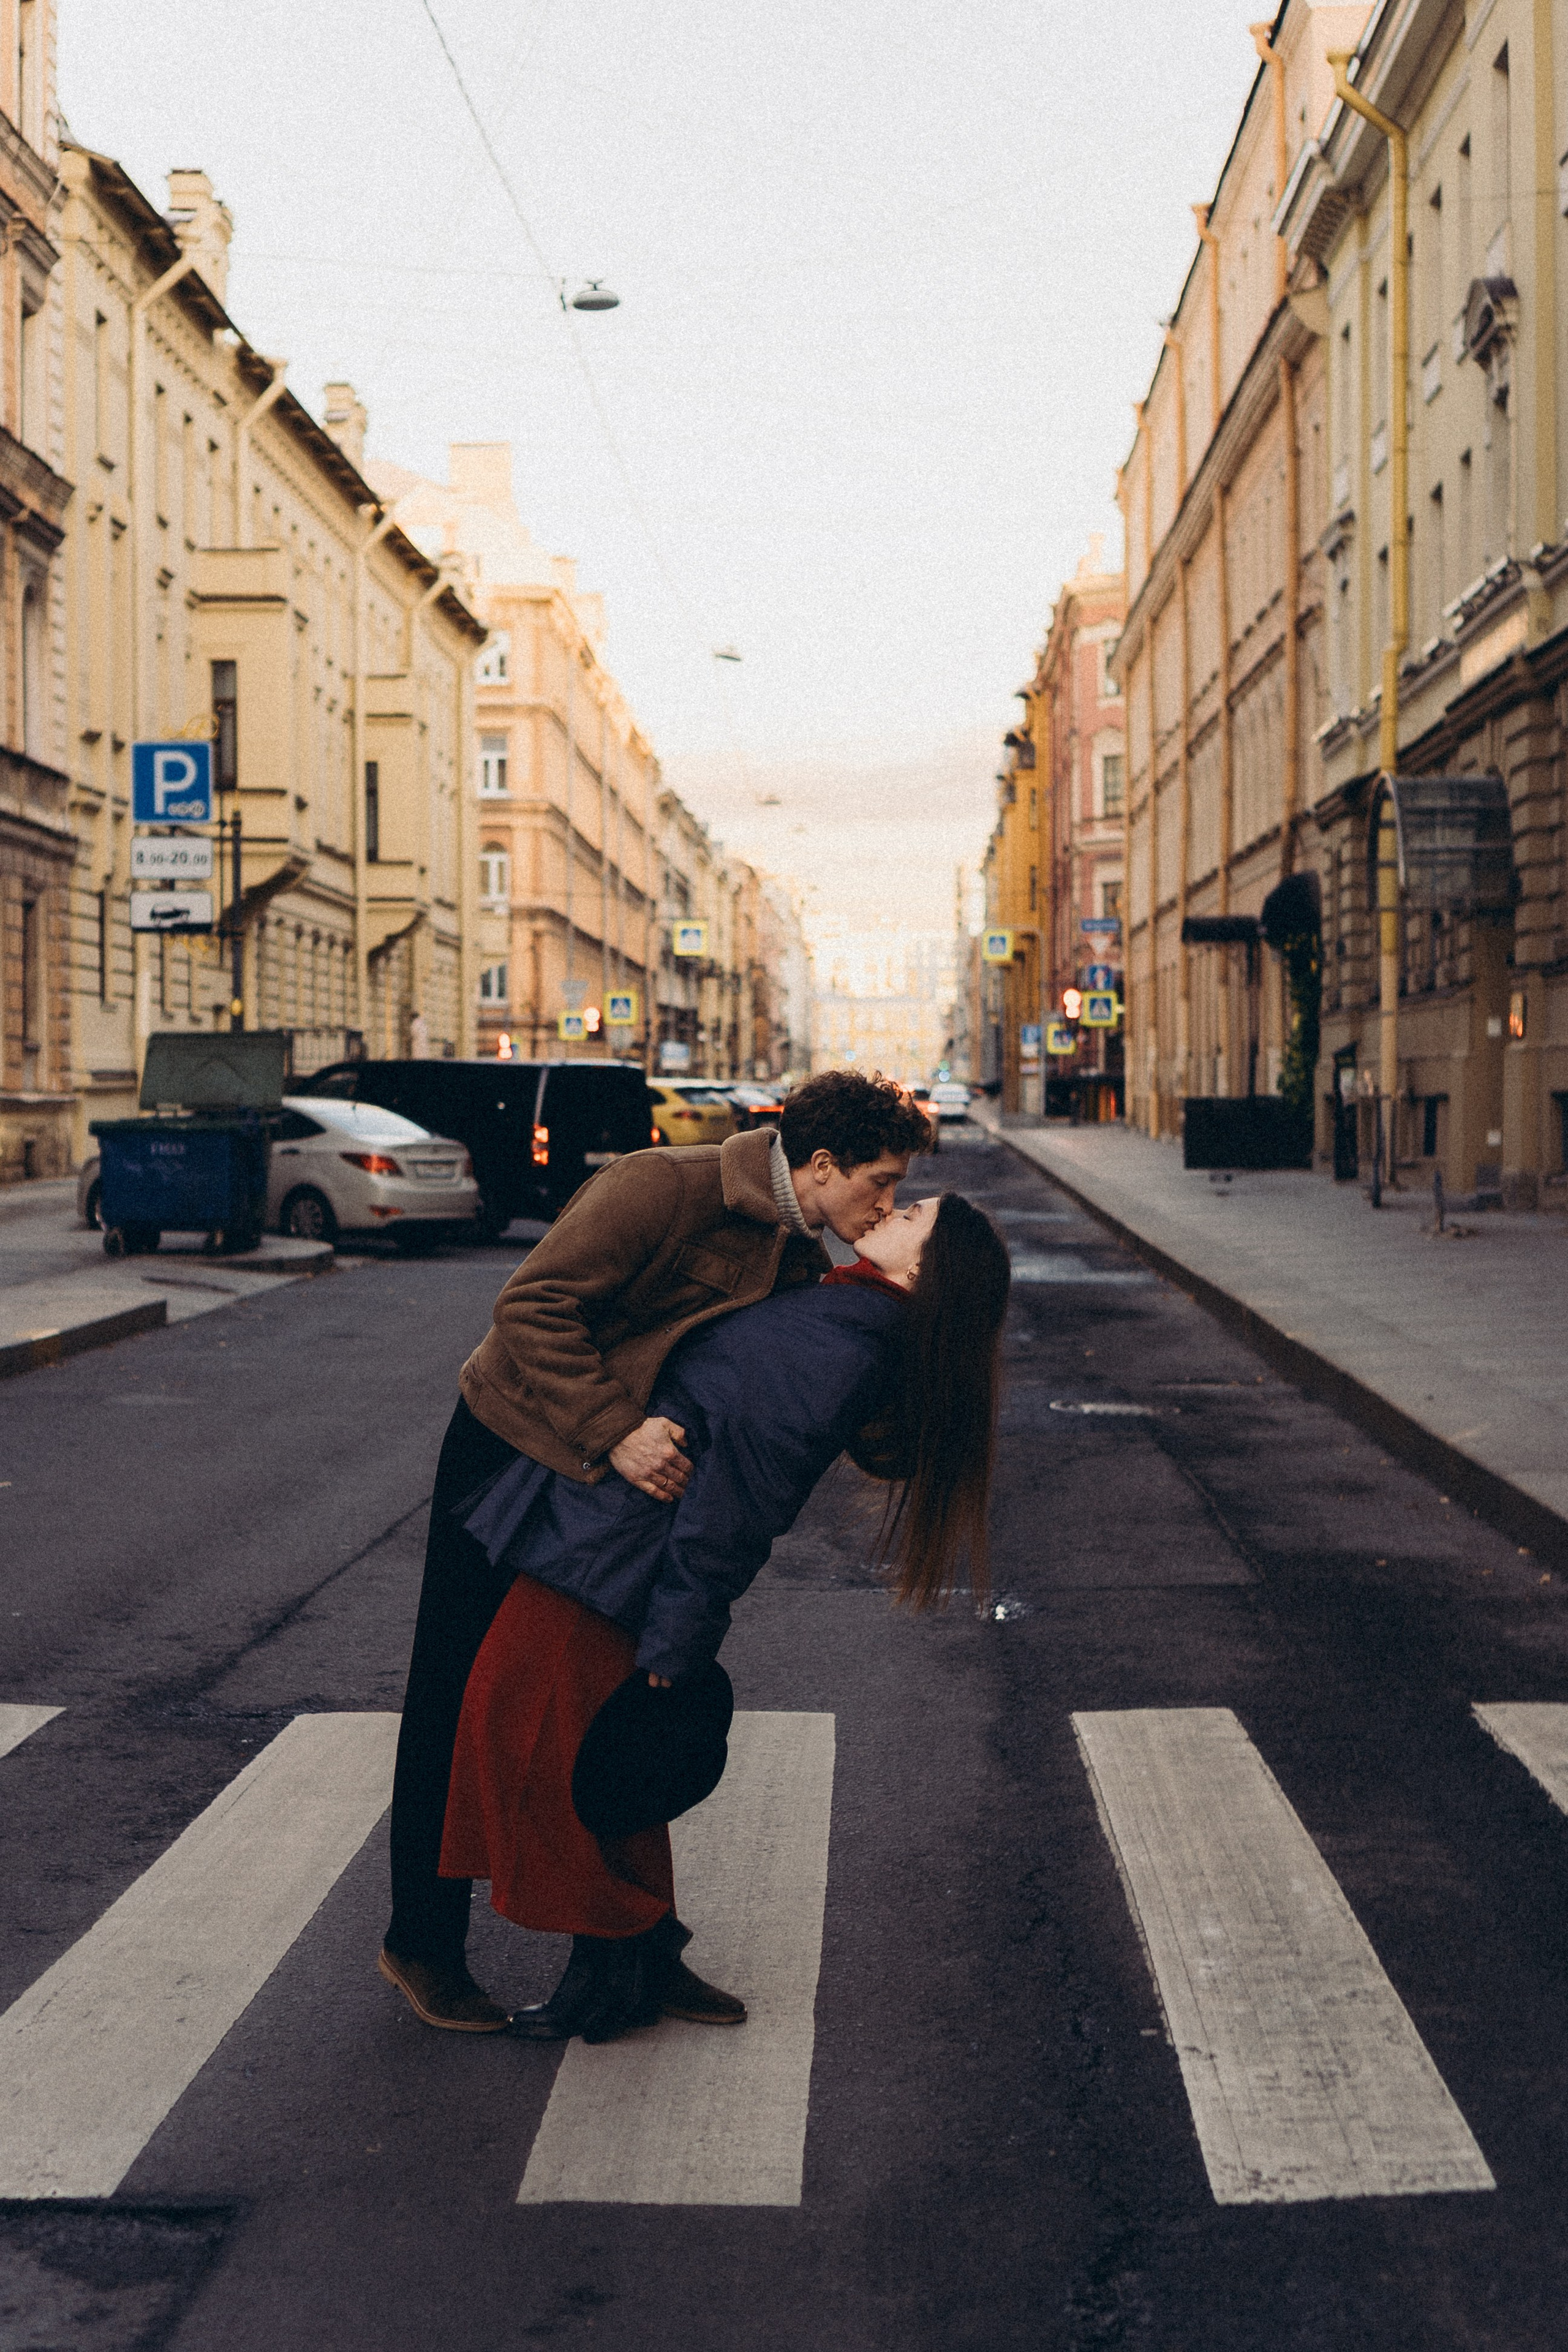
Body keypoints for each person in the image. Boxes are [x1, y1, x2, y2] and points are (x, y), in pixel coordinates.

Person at [380, 1069, 935, 2032]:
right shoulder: (662, 1186)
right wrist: (617, 1429)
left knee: (616, 1713)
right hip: (512, 1445)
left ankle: (640, 1945)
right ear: (820, 1164)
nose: (884, 1203)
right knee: (453, 1695)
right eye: (878, 1182)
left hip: (610, 1495)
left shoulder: (802, 1251)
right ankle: (422, 1946)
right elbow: (532, 1307)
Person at [440, 1189, 1012, 2044]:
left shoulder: (844, 1347)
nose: (894, 1205)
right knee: (590, 1755)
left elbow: (736, 1505)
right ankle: (647, 1948)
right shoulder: (848, 1309)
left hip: (617, 1559)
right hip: (610, 1540)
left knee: (527, 1745)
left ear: (923, 1267)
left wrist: (679, 1638)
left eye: (915, 1209)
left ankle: (610, 1962)